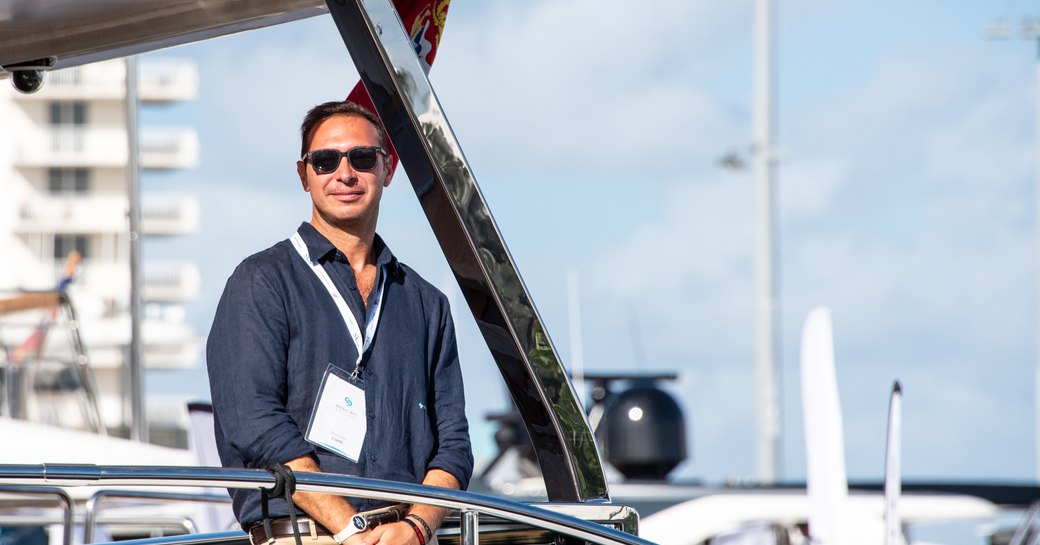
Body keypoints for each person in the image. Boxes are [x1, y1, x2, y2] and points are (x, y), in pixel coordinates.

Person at [207, 100, 473, 545]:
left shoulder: (428, 304)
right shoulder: (260, 282)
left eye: (363, 158)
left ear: (387, 170)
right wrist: (349, 528)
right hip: (303, 534)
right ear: (304, 175)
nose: (345, 173)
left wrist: (418, 527)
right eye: (326, 160)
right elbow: (255, 422)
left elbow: (455, 445)